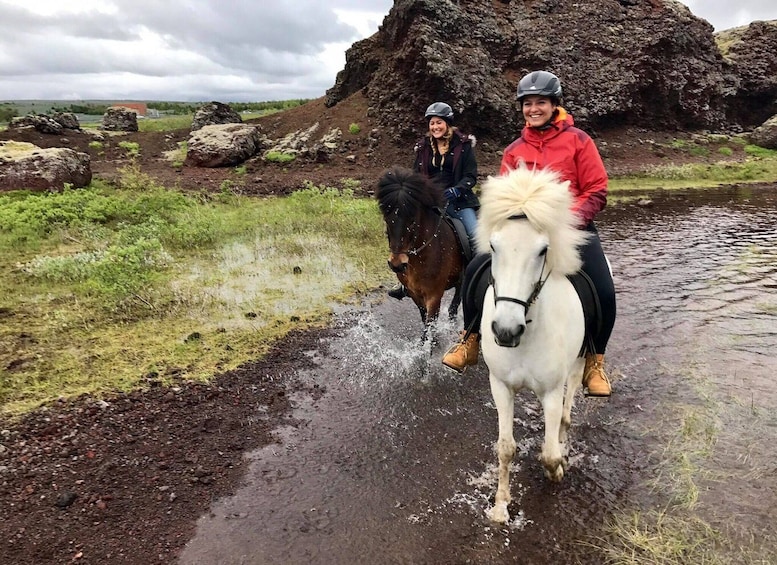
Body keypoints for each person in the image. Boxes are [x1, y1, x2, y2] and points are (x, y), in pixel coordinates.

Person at [441, 70, 616, 397]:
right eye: (528, 103)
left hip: (570, 229)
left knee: (603, 289)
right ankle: (470, 339)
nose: (533, 109)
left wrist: (569, 220)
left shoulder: (579, 141)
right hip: (522, 232)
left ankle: (595, 361)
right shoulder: (514, 149)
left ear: (554, 105)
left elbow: (596, 190)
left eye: (541, 102)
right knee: (477, 270)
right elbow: (506, 193)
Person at [388, 101, 480, 300]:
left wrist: (457, 189)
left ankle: (475, 276)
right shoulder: (423, 147)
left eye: (439, 122)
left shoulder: (463, 146)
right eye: (432, 123)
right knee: (403, 231)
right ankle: (404, 281)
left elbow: (471, 176)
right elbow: (414, 175)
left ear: (448, 123)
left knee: (475, 237)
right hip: (429, 202)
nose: (435, 127)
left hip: (458, 201)